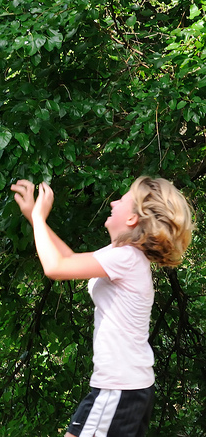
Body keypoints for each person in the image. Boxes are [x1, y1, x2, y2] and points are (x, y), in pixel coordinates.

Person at [11, 177, 194, 437]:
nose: (113, 202)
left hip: (119, 389)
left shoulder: (126, 258)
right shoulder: (123, 254)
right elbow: (67, 258)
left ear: (132, 218)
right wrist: (34, 218)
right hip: (124, 388)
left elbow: (54, 267)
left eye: (122, 200)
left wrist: (39, 218)